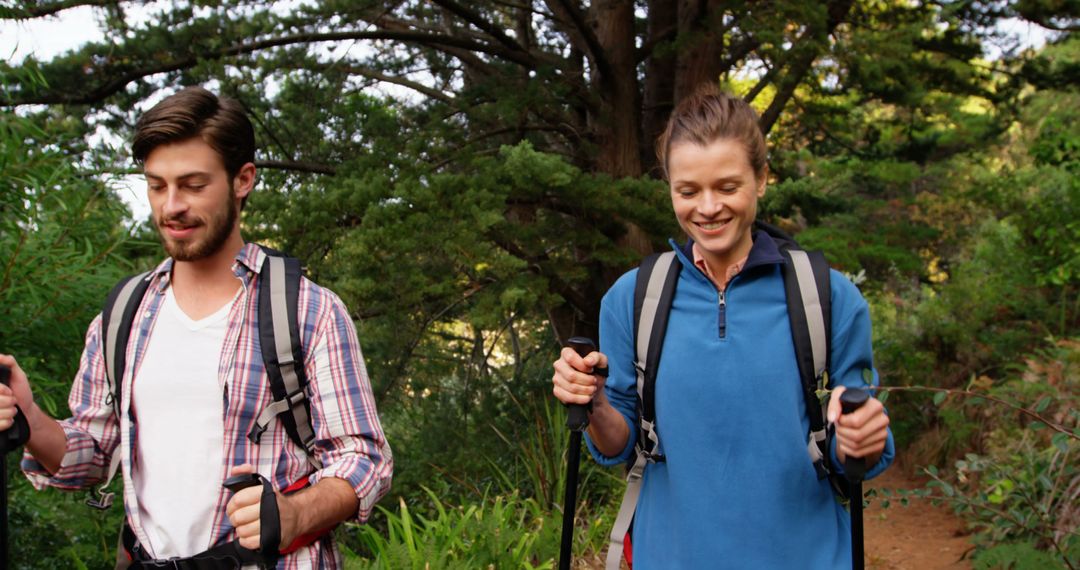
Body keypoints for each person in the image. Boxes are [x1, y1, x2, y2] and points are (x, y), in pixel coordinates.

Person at [0, 86, 392, 569]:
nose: (171, 206)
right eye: (157, 185)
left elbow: (365, 459)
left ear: (243, 179)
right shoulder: (123, 313)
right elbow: (93, 452)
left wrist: (294, 513)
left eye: (193, 184)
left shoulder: (308, 312)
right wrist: (29, 419)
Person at [551, 85, 895, 568]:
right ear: (669, 187)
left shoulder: (827, 298)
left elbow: (851, 449)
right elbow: (620, 444)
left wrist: (862, 437)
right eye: (687, 191)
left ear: (762, 179)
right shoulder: (634, 299)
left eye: (727, 187)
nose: (708, 208)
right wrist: (594, 401)